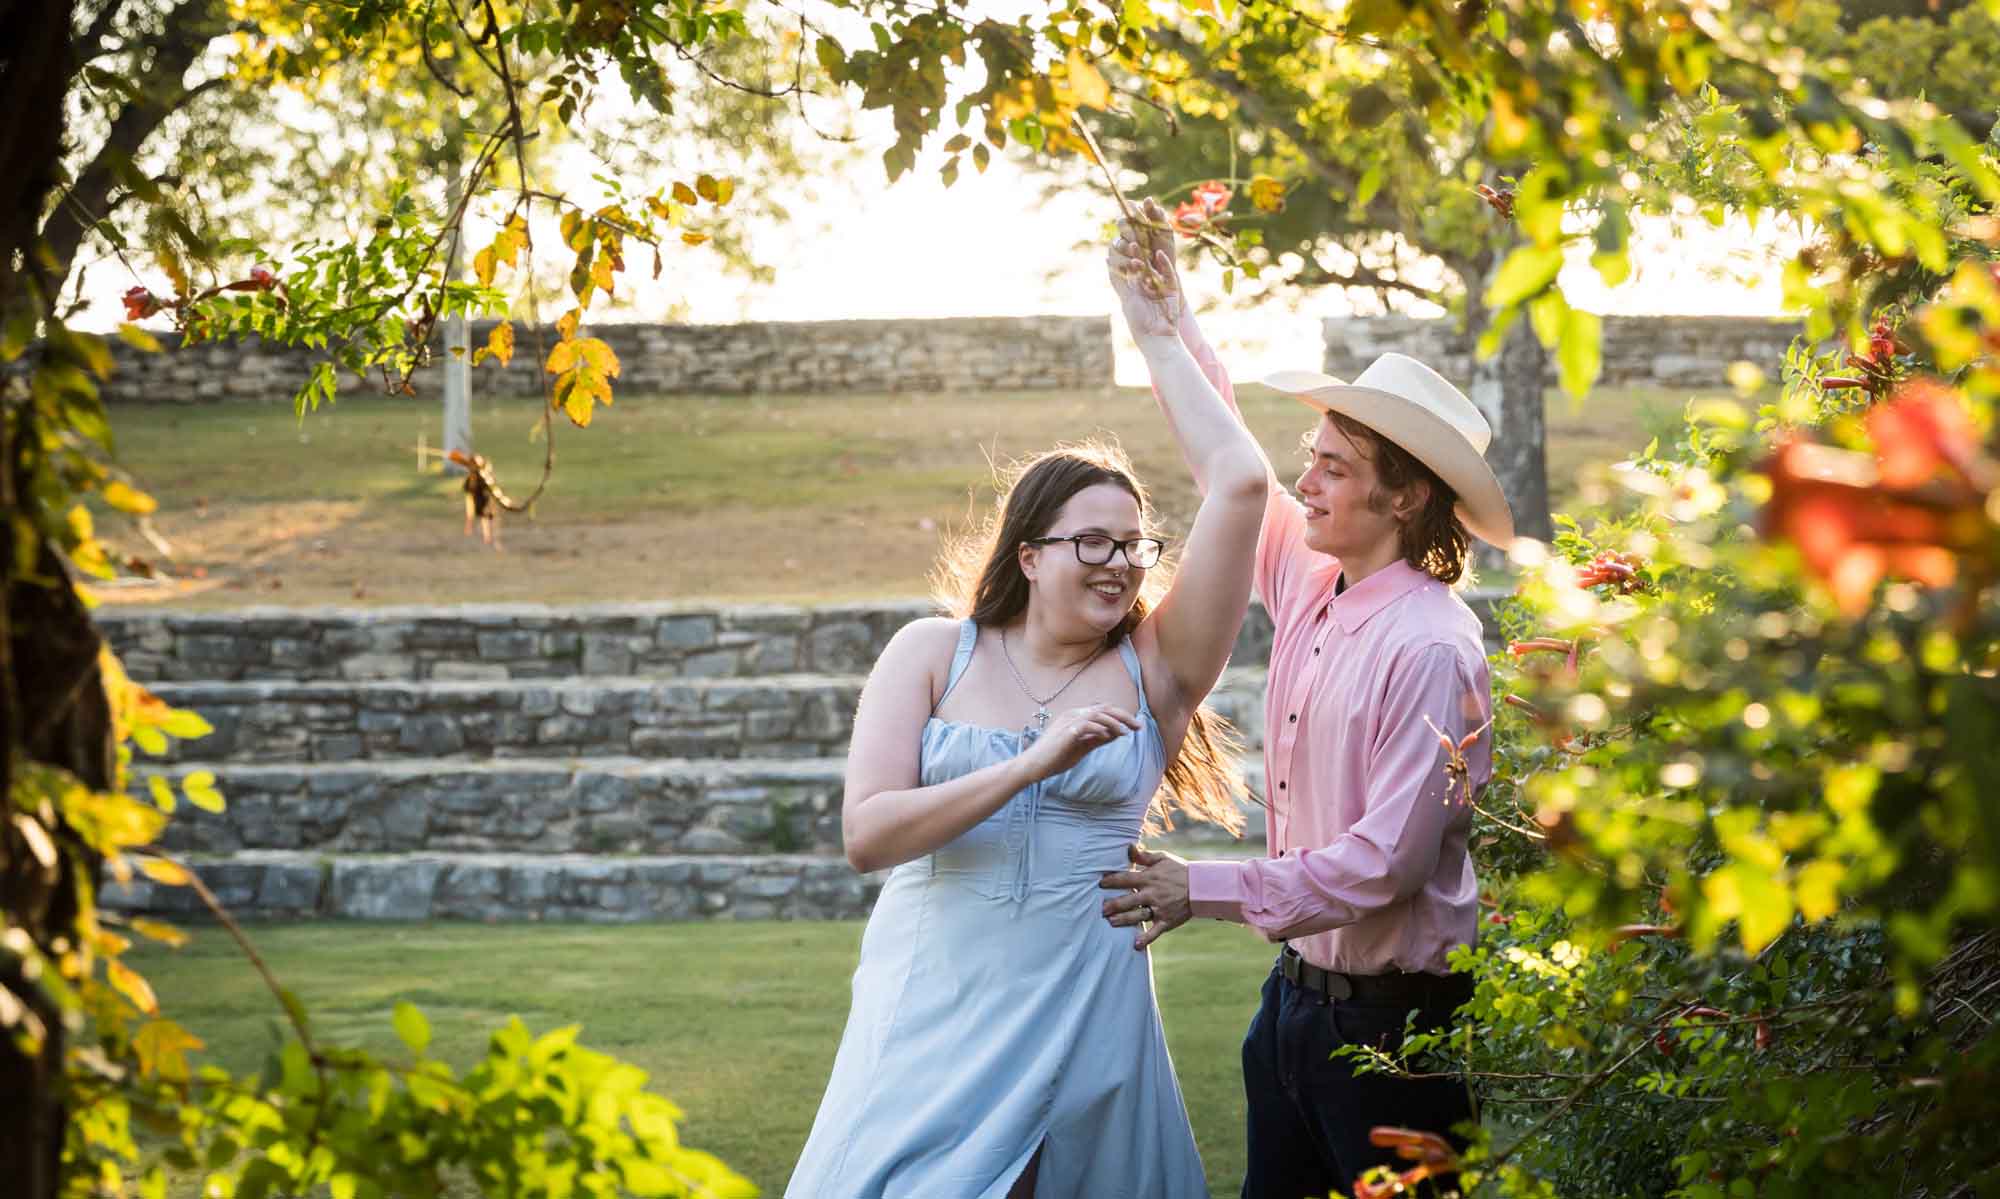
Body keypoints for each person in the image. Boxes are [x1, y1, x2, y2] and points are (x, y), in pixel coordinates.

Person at [784, 222, 1270, 1199]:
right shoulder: (931, 653)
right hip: (934, 1001)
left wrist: (1156, 328)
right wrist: (1027, 764)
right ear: (1029, 555)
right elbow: (867, 835)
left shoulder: (1156, 670)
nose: (1119, 562)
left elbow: (1244, 482)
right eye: (1091, 542)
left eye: (1132, 544)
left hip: (1084, 1004)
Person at [1099, 199, 1512, 1199]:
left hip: (1395, 1035)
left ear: (1403, 496)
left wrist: (1198, 887)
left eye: (1333, 466)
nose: (1307, 479)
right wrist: (1161, 315)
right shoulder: (1311, 576)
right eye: (1312, 458)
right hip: (1290, 1008)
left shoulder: (1430, 645)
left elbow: (1387, 863)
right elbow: (1229, 462)